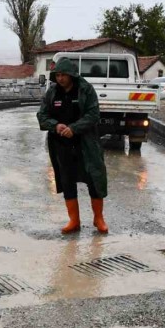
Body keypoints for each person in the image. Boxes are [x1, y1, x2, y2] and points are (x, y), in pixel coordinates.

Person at [37, 57, 109, 234]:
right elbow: (42, 115)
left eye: (63, 75)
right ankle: (74, 221)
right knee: (67, 180)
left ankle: (98, 218)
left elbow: (93, 114)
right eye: (58, 75)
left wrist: (74, 129)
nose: (60, 78)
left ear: (71, 75)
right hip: (61, 145)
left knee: (94, 178)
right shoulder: (53, 92)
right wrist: (56, 126)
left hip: (86, 143)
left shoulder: (85, 89)